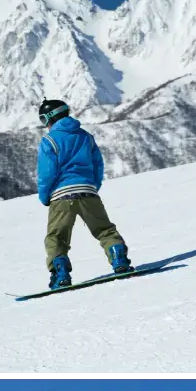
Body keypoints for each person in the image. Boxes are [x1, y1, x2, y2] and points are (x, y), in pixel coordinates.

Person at [37, 98, 133, 290]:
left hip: (61, 196)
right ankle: (118, 258)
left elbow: (47, 172)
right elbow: (98, 165)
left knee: (57, 236)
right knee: (104, 229)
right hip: (88, 192)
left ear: (49, 118)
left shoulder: (49, 140)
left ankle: (60, 274)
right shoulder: (86, 137)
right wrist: (92, 187)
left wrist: (44, 195)